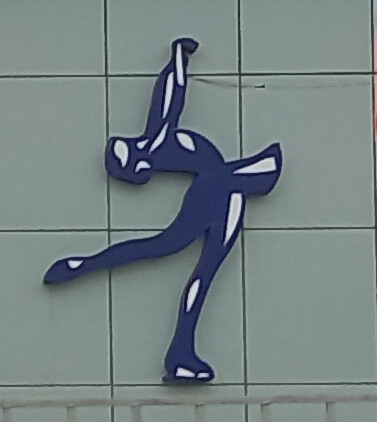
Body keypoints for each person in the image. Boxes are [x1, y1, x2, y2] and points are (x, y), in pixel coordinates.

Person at [45, 39, 283, 384]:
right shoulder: (155, 144)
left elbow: (172, 89)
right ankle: (180, 352)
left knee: (183, 259)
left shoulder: (155, 138)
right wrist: (178, 58)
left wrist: (179, 57)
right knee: (180, 256)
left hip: (223, 188)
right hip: (221, 187)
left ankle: (179, 351)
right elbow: (172, 88)